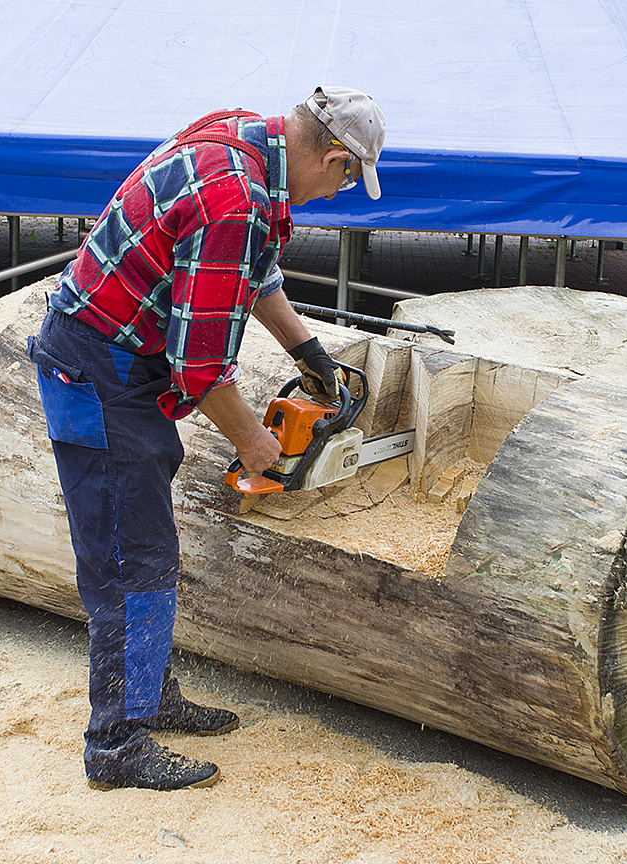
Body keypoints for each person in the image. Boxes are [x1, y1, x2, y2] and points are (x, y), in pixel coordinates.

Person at [28, 86, 386, 791]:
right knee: (132, 560)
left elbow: (253, 269)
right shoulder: (237, 200)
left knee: (142, 542)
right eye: (345, 181)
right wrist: (254, 442)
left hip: (118, 360)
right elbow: (199, 366)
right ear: (334, 158)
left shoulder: (240, 136)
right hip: (98, 369)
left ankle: (150, 696)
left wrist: (308, 352)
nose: (335, 195)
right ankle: (116, 744)